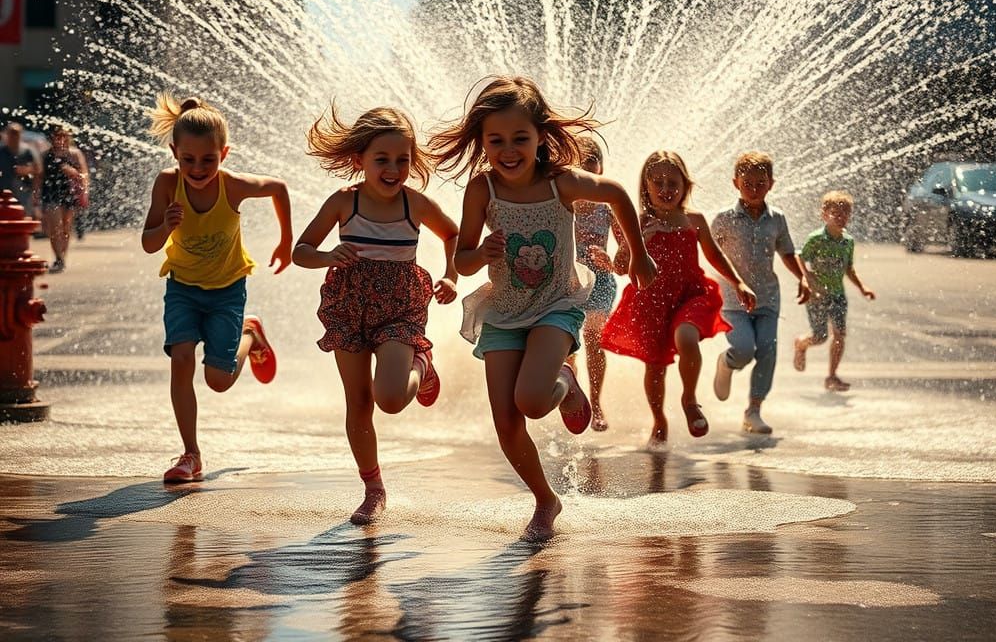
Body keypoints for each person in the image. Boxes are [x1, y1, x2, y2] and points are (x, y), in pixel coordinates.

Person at [429, 75, 657, 542]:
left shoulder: (561, 184)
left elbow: (615, 193)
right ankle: (545, 500)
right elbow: (464, 258)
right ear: (482, 142)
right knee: (506, 422)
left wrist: (638, 253)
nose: (508, 150)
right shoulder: (482, 190)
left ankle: (566, 379)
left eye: (520, 138)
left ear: (540, 138)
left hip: (556, 304)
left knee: (531, 401)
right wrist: (481, 254)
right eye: (496, 140)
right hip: (504, 311)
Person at [292, 104, 459, 526]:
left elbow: (452, 233)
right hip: (348, 308)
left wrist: (451, 274)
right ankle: (373, 489)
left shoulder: (414, 204)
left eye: (402, 160)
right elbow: (301, 251)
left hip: (399, 308)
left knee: (389, 399)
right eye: (381, 160)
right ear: (359, 161)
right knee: (359, 401)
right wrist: (328, 254)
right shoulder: (343, 203)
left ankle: (422, 362)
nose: (393, 169)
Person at [141, 93, 292, 483]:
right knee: (181, 360)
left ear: (224, 153)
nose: (197, 168)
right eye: (188, 159)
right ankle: (190, 454)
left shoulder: (234, 187)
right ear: (174, 152)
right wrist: (165, 226)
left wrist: (285, 242)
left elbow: (279, 188)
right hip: (182, 289)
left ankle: (251, 334)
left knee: (218, 381)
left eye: (208, 159)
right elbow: (148, 243)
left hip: (227, 290)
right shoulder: (167, 184)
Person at [597, 150, 756, 449]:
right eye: (658, 182)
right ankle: (658, 419)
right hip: (651, 303)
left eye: (673, 183)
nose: (666, 189)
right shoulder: (639, 222)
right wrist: (642, 241)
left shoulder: (693, 220)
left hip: (690, 295)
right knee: (655, 368)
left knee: (686, 336)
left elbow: (714, 255)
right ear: (645, 186)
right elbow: (621, 267)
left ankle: (690, 399)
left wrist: (738, 282)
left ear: (685, 186)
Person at [710, 152, 810, 435]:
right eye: (748, 183)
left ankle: (753, 410)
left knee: (767, 350)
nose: (754, 189)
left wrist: (802, 278)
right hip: (732, 299)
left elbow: (787, 252)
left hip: (767, 297)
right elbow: (709, 253)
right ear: (735, 183)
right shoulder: (723, 219)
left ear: (771, 184)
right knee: (744, 349)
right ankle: (727, 362)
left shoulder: (776, 219)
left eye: (760, 183)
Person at [793, 190, 875, 390]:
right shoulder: (817, 238)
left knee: (839, 335)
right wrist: (806, 276)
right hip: (817, 296)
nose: (841, 218)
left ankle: (832, 376)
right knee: (820, 337)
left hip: (838, 295)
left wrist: (862, 287)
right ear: (824, 215)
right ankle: (801, 344)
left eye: (845, 214)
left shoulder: (848, 241)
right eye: (835, 213)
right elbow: (799, 257)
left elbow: (848, 268)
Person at [569, 136, 617, 431]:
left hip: (600, 280)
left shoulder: (608, 207)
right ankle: (571, 386)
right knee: (567, 344)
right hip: (568, 281)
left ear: (600, 169)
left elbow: (625, 254)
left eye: (591, 163)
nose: (585, 169)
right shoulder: (562, 205)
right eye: (579, 163)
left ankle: (596, 403)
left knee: (594, 338)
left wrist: (611, 261)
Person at [40, 126, 88, 273]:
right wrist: (35, 195)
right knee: (55, 228)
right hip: (51, 193)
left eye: (63, 135)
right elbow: (40, 175)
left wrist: (84, 192)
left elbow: (84, 174)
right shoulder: (46, 154)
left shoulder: (74, 154)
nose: (60, 138)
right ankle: (58, 257)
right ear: (52, 137)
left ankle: (62, 257)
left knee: (66, 227)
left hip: (69, 193)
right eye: (57, 135)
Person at [0, 121, 42, 215]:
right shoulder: (1, 151)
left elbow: (38, 170)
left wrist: (27, 170)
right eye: (12, 133)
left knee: (23, 215)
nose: (14, 136)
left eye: (16, 133)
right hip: (3, 190)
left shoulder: (27, 151)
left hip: (24, 190)